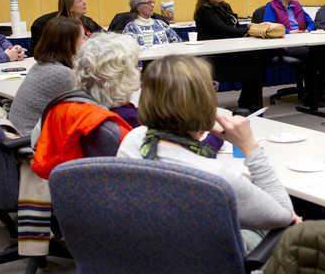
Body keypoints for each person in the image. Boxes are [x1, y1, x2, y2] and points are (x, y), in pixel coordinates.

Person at [117, 55, 299, 248]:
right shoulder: (217, 179)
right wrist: (249, 146)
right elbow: (284, 215)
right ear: (203, 101)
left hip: (148, 258)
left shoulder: (133, 140)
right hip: (214, 271)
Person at [30, 33, 138, 179]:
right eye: (137, 65)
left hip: (65, 192)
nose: (140, 70)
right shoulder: (128, 122)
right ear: (123, 75)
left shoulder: (62, 105)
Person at [193, 0, 264, 113]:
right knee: (253, 62)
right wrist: (250, 31)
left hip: (232, 49)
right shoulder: (204, 11)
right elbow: (225, 30)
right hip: (215, 55)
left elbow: (235, 26)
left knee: (257, 58)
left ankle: (249, 103)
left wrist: (248, 31)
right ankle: (247, 103)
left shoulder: (225, 6)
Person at [9, 17, 88, 135]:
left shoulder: (42, 65)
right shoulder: (62, 74)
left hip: (21, 134)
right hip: (30, 143)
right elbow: (93, 106)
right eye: (83, 37)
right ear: (68, 43)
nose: (88, 40)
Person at [29, 0, 103, 54]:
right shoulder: (60, 27)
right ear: (70, 7)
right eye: (79, 1)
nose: (84, 3)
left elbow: (105, 37)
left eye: (83, 0)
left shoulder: (87, 21)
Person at [108, 0, 173, 33]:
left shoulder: (159, 21)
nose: (153, 5)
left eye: (152, 2)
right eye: (148, 2)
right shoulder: (128, 25)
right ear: (137, 6)